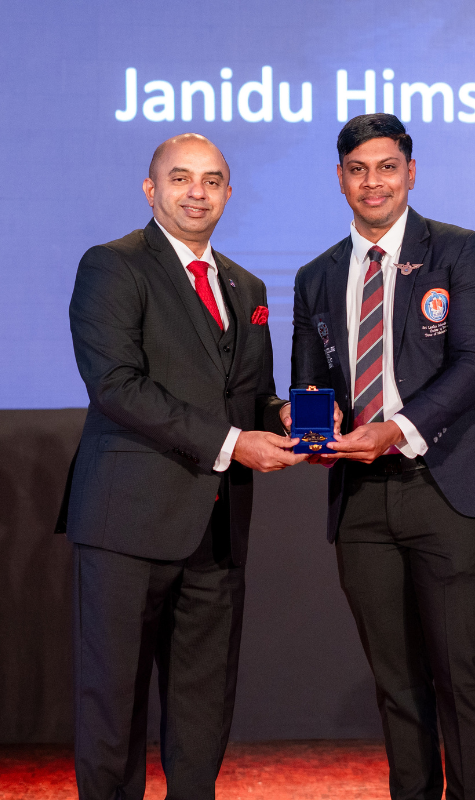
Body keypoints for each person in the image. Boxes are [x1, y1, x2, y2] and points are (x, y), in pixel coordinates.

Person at [59, 133, 308, 800]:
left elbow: (249, 393)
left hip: (217, 529)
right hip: (126, 524)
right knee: (113, 703)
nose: (197, 192)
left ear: (228, 192)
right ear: (151, 190)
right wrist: (233, 441)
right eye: (180, 178)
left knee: (203, 706)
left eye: (212, 180)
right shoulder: (113, 266)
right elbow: (117, 386)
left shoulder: (246, 285)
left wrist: (282, 414)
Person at [291, 113, 475, 800]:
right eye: (358, 169)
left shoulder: (457, 250)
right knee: (396, 684)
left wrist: (393, 429)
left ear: (411, 173)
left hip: (448, 487)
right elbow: (310, 381)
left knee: (462, 677)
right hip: (360, 499)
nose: (373, 182)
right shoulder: (315, 275)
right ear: (340, 179)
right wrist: (312, 423)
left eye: (387, 167)